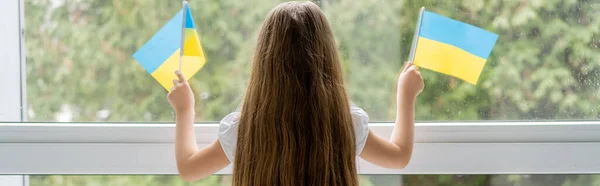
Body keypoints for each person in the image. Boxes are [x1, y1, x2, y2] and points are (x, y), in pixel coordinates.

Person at [167, 1, 424, 185]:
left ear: (264, 63)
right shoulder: (345, 125)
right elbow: (399, 156)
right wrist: (406, 95)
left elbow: (189, 169)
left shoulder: (244, 130)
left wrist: (184, 109)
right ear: (327, 59)